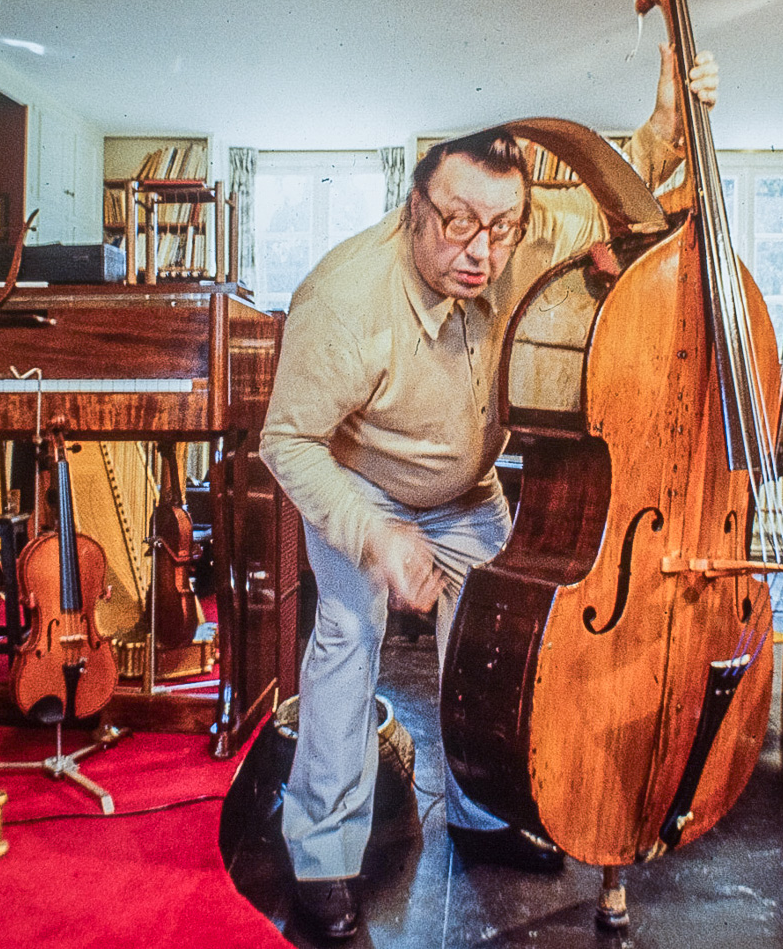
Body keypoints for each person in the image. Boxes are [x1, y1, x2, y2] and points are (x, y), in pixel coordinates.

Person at [259, 46, 718, 941]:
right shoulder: (345, 301)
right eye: (458, 222)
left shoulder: (522, 230)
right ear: (414, 204)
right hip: (362, 486)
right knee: (349, 642)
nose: (481, 249)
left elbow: (628, 182)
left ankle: (480, 812)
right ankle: (320, 857)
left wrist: (672, 118)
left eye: (500, 228)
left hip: (469, 494)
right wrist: (375, 537)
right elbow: (288, 442)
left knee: (500, 648)